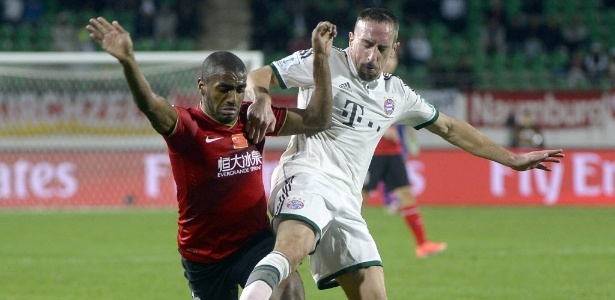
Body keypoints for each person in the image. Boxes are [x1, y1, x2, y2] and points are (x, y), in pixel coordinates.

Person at [240, 8, 564, 300]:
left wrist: (511, 158)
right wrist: (262, 98)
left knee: (373, 292)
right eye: (365, 44)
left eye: (381, 48)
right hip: (306, 175)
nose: (371, 55)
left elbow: (449, 128)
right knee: (293, 247)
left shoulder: (397, 93)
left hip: (348, 199)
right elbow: (257, 77)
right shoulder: (324, 60)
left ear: (394, 49)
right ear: (351, 39)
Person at [86, 16, 337, 300]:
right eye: (224, 89)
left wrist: (320, 58)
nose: (233, 97)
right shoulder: (187, 127)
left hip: (253, 243)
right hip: (204, 257)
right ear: (202, 86)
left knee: (289, 289)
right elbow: (150, 105)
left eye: (240, 89)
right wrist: (128, 61)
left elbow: (318, 119)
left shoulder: (252, 118)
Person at [361, 50, 446, 259]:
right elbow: (360, 113)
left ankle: (422, 244)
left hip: (394, 152)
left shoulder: (396, 86)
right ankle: (337, 243)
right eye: (387, 58)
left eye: (393, 58)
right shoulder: (367, 85)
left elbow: (404, 115)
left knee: (406, 194)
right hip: (372, 152)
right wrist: (381, 128)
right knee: (357, 200)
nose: (390, 62)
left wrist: (409, 134)